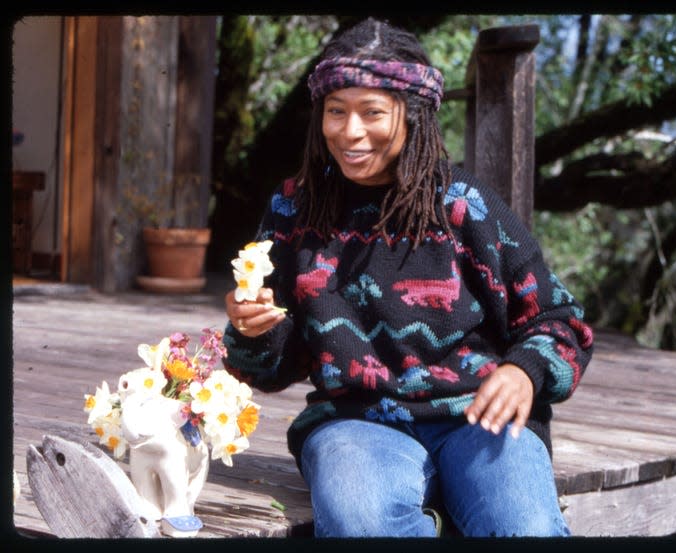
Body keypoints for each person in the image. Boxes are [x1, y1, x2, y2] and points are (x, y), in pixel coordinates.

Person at [222, 17, 593, 538]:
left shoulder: (465, 206)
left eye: (372, 112)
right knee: (363, 524)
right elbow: (270, 367)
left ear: (414, 115)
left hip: (478, 417)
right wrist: (252, 331)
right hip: (354, 424)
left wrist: (524, 371)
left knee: (526, 527)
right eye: (335, 111)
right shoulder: (294, 208)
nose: (349, 132)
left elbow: (560, 322)